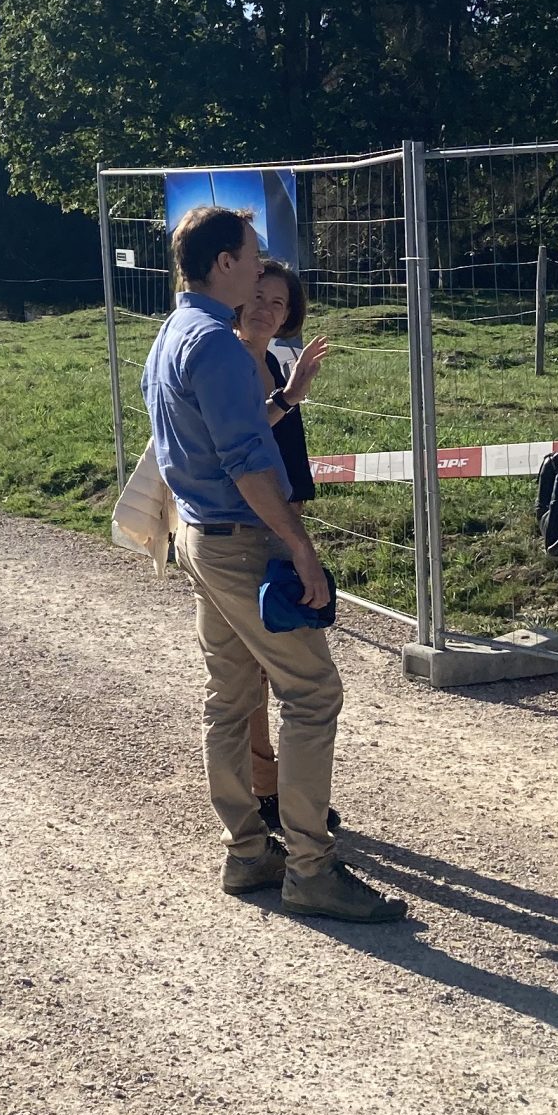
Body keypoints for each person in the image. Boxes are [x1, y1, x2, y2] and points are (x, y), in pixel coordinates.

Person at [141, 205, 404, 923]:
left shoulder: (171, 333)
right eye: (254, 255)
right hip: (243, 539)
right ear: (224, 261)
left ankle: (247, 850)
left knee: (228, 697)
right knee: (312, 694)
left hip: (198, 532)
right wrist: (299, 544)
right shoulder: (219, 345)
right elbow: (250, 463)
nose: (261, 269)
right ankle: (312, 868)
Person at [237, 257, 334, 833]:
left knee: (260, 666)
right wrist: (291, 397)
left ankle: (267, 790)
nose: (268, 309)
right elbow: (243, 436)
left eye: (279, 302)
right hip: (254, 529)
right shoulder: (233, 363)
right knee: (264, 669)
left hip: (282, 524)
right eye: (259, 296)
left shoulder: (270, 360)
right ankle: (268, 793)